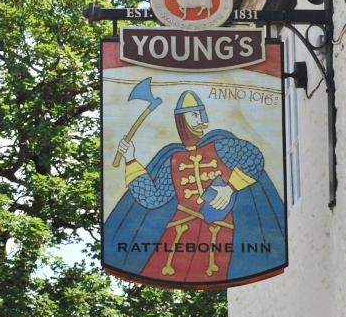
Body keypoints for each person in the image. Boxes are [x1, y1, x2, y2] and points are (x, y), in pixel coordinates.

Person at [103, 90, 286, 287]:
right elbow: (152, 198)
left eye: (200, 113)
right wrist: (131, 159)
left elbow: (254, 159)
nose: (200, 119)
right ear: (180, 119)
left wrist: (230, 188)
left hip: (219, 229)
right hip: (179, 234)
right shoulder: (172, 158)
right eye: (193, 114)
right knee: (165, 272)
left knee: (218, 271)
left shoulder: (222, 145)